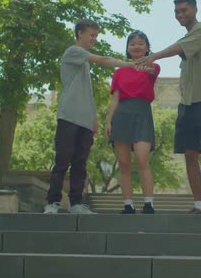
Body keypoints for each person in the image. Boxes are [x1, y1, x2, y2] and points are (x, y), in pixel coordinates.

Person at [140, 0, 201, 214]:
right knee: (190, 154)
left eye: (184, 10)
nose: (180, 15)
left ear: (194, 9)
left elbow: (176, 48)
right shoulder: (188, 39)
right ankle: (199, 204)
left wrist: (153, 56)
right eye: (177, 12)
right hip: (187, 105)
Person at [44, 19, 135, 214]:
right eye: (92, 35)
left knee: (80, 164)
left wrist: (93, 118)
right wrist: (129, 64)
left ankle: (76, 204)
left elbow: (87, 94)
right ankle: (52, 202)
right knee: (62, 160)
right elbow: (102, 60)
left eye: (96, 35)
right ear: (79, 33)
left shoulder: (83, 65)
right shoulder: (73, 52)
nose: (95, 39)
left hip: (85, 121)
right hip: (69, 116)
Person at [104, 30, 160, 214]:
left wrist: (146, 66)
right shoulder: (119, 72)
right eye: (132, 43)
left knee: (143, 159)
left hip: (142, 114)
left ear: (147, 47)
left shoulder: (153, 66)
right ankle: (128, 204)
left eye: (141, 43)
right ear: (128, 48)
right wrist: (108, 121)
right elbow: (115, 98)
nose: (136, 46)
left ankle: (148, 203)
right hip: (122, 114)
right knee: (124, 163)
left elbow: (152, 71)